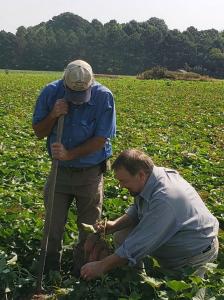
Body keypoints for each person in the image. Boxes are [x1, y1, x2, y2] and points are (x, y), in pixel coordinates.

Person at [81, 149, 219, 298]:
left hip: (194, 257)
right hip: (172, 245)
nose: (121, 186)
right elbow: (139, 207)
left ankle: (142, 287)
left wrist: (102, 266)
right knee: (122, 236)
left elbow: (139, 243)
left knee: (182, 294)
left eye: (123, 181)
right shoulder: (151, 177)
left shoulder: (166, 199)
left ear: (140, 174)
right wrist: (114, 225)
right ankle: (135, 283)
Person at [32, 59, 116, 275]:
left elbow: (101, 139)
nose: (78, 102)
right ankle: (51, 270)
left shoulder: (103, 97)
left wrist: (70, 154)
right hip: (59, 172)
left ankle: (83, 272)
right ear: (65, 83)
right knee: (52, 224)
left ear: (91, 84)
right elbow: (39, 132)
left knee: (89, 228)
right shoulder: (51, 92)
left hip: (89, 173)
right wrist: (53, 114)